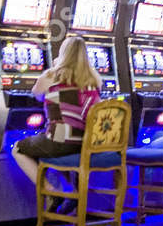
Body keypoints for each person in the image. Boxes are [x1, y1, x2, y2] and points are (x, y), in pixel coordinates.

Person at [11, 36, 102, 185]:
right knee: (55, 138)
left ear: (63, 54)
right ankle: (72, 191)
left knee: (18, 149)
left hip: (60, 141)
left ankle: (51, 191)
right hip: (86, 142)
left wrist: (54, 69)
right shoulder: (94, 80)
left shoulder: (51, 76)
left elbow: (37, 94)